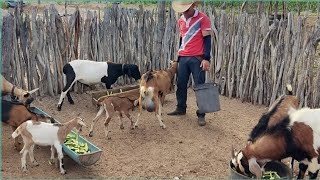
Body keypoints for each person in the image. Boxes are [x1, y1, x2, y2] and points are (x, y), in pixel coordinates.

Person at [168, 1, 212, 126]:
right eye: (183, 10)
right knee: (180, 84)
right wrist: (178, 56)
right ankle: (181, 108)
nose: (184, 13)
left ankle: (201, 114)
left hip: (197, 58)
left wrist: (206, 58)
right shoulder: (181, 20)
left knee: (200, 86)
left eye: (186, 10)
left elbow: (207, 40)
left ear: (193, 6)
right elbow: (182, 38)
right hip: (183, 57)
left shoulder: (203, 18)